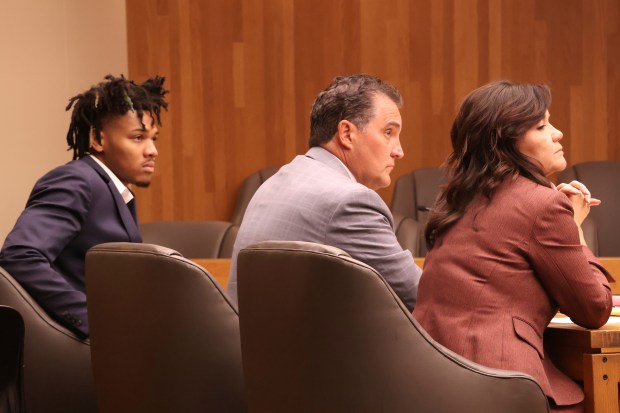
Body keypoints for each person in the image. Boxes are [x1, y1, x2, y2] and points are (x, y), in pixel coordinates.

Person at [412, 80, 612, 412]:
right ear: (505, 142)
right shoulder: (543, 205)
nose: (558, 133)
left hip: (431, 380)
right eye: (542, 125)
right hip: (498, 385)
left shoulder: (460, 199)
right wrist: (574, 227)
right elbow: (595, 309)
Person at [227, 74, 421, 310]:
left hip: (257, 345)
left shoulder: (272, 184)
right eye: (388, 133)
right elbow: (421, 298)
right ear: (347, 133)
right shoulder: (350, 202)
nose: (399, 151)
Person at [0, 74, 169, 337]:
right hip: (82, 349)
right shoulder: (76, 180)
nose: (152, 150)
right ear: (98, 140)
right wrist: (95, 323)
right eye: (138, 138)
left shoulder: (113, 189)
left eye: (154, 139)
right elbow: (20, 256)